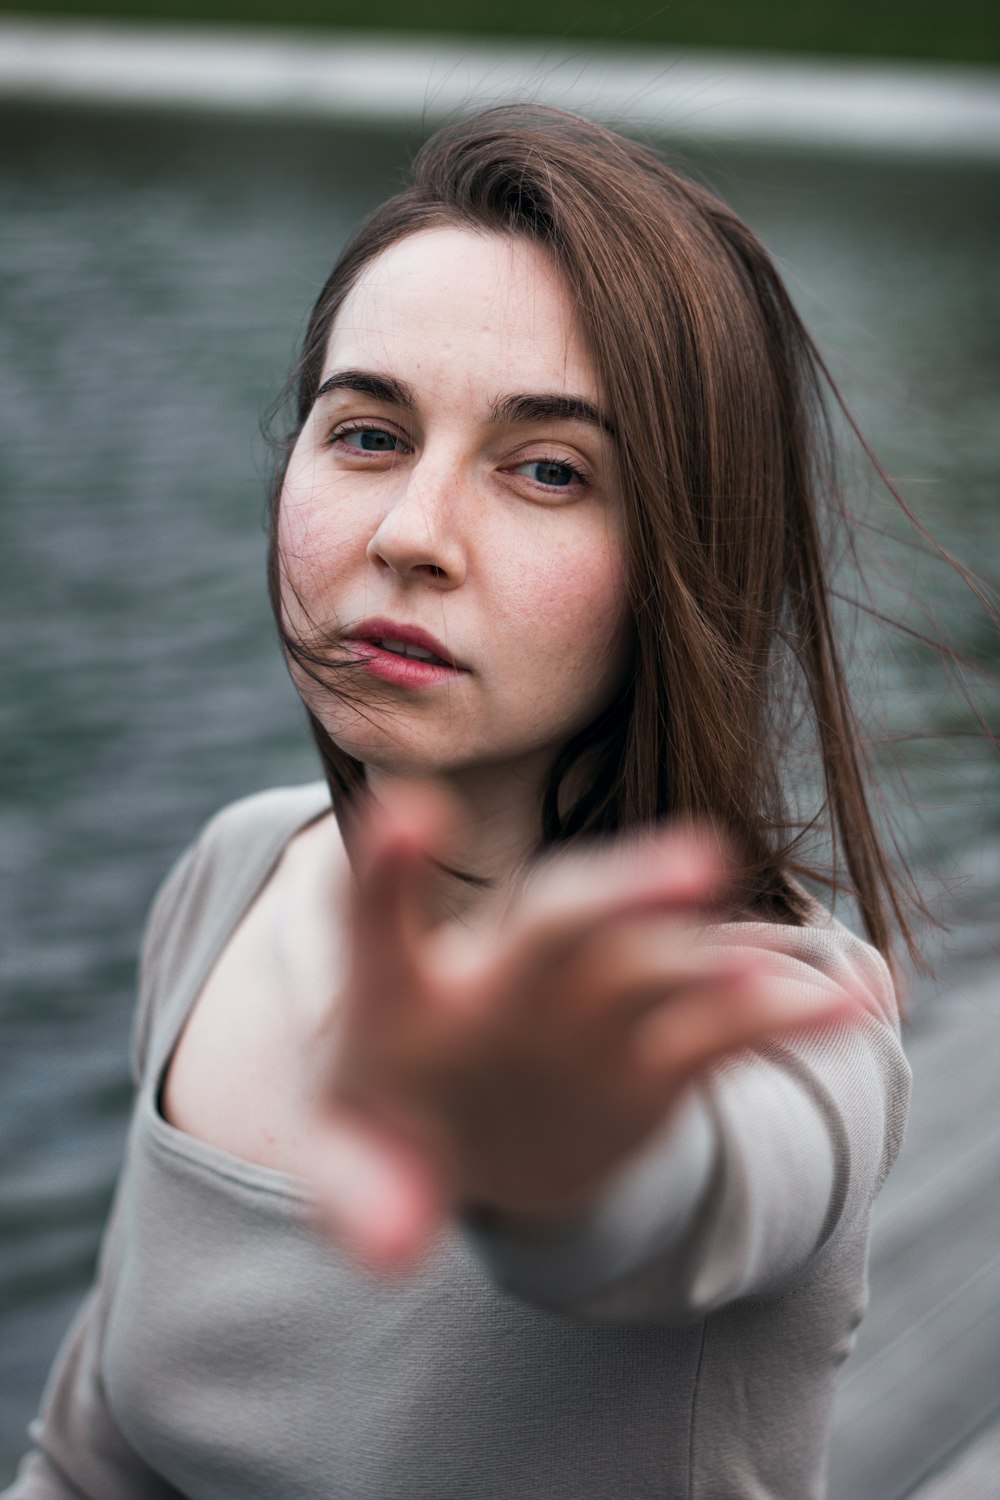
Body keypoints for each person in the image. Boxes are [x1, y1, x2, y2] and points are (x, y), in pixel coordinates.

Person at [7, 105, 915, 1499]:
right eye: (366, 434)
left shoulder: (789, 1024)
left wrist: (542, 1151)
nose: (412, 534)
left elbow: (677, 1198)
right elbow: (91, 1459)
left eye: (548, 469)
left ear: (687, 558)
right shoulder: (235, 875)